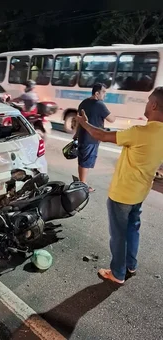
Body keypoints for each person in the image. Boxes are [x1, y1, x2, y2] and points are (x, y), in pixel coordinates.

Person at [76, 86, 163, 284]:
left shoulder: (140, 132)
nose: (147, 103)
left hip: (123, 194)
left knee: (119, 236)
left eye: (149, 100)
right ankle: (130, 265)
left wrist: (84, 123)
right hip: (141, 192)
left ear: (155, 105)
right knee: (133, 229)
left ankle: (117, 273)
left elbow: (101, 135)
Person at [74, 83, 115, 192]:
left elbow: (79, 120)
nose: (105, 95)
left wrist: (76, 134)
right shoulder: (99, 104)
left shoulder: (83, 102)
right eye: (103, 92)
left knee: (82, 160)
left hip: (83, 136)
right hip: (91, 138)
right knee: (86, 162)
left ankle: (82, 182)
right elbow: (111, 119)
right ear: (97, 93)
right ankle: (82, 185)